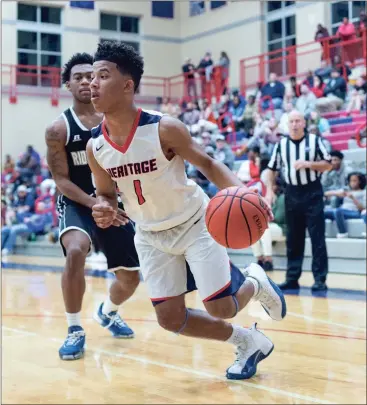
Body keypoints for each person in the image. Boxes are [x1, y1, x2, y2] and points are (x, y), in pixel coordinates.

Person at [86, 41, 286, 380]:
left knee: (220, 307)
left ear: (127, 85)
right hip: (149, 234)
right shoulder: (96, 146)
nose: (92, 84)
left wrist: (246, 193)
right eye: (91, 77)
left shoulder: (164, 128)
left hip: (195, 224)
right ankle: (250, 342)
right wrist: (103, 208)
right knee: (170, 319)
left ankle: (255, 279)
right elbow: (105, 194)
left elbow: (208, 163)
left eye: (102, 76)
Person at [45, 53, 140, 361]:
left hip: (113, 203)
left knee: (130, 279)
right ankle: (74, 328)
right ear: (68, 85)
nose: (86, 81)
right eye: (79, 77)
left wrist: (115, 203)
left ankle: (108, 312)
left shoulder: (118, 122)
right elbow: (61, 179)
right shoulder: (58, 129)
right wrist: (94, 203)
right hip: (78, 202)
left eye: (92, 75)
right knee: (76, 250)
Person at [265, 110, 332, 292]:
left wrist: (309, 164)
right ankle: (292, 277)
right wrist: (270, 190)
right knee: (294, 238)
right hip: (292, 194)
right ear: (288, 125)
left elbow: (328, 163)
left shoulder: (315, 141)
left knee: (317, 238)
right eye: (291, 121)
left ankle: (320, 279)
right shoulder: (281, 145)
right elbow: (271, 169)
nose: (294, 124)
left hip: (312, 193)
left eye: (298, 121)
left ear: (304, 123)